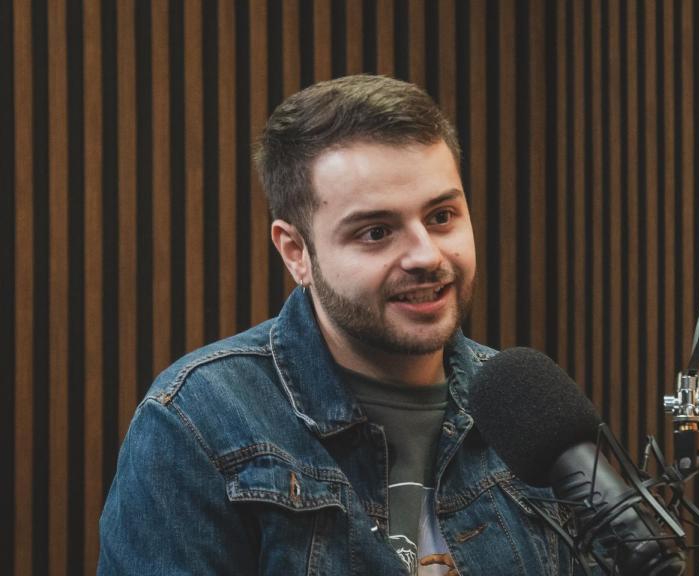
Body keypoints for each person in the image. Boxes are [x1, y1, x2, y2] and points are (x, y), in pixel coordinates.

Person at [98, 75, 574, 575]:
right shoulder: (199, 421)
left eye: (441, 216)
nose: (426, 255)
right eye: (376, 232)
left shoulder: (529, 407)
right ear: (295, 252)